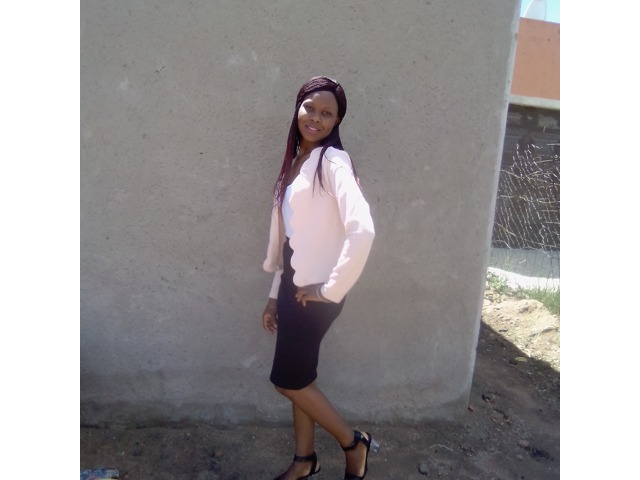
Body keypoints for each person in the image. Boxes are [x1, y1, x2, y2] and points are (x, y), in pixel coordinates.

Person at [261, 76, 377, 480]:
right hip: (293, 288)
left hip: (314, 297)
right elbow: (291, 241)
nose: (316, 117)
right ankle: (304, 461)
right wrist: (274, 295)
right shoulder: (296, 162)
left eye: (327, 113)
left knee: (287, 381)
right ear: (298, 108)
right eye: (310, 107)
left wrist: (331, 290)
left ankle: (353, 443)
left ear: (337, 121)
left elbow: (363, 230)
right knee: (301, 378)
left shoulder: (332, 162)